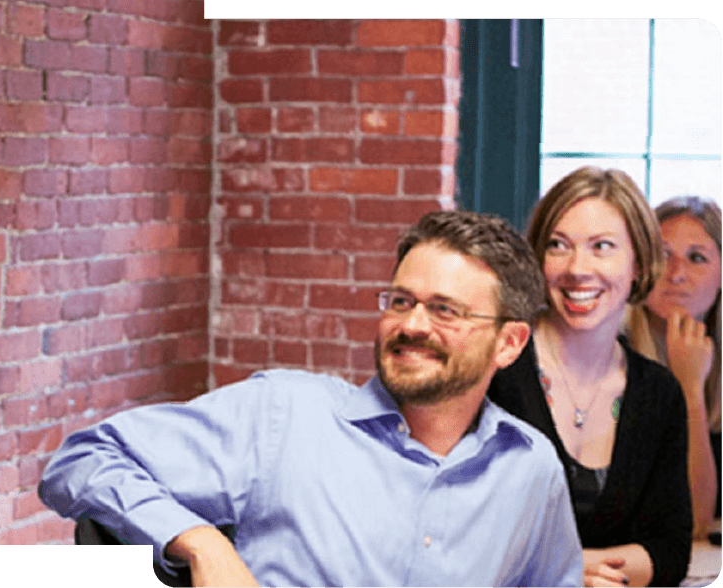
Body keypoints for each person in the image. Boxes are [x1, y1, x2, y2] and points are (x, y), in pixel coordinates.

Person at [38, 211, 584, 588]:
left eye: (445, 310)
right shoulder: (286, 414)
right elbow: (83, 460)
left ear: (509, 343)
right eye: (400, 301)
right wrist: (202, 543)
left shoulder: (529, 467)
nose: (412, 325)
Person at [488, 167, 693, 587]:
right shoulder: (495, 366)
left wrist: (576, 564)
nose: (577, 268)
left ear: (639, 263)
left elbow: (670, 551)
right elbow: (449, 525)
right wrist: (562, 568)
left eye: (602, 247)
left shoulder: (659, 394)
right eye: (558, 246)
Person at [626, 196, 722, 537]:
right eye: (664, 255)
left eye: (697, 258)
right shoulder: (609, 353)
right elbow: (692, 521)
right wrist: (689, 389)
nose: (677, 274)